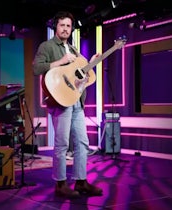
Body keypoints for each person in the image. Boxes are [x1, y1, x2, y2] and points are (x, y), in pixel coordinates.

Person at [32, 11, 103, 198]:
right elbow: (37, 68)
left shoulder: (73, 49)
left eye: (68, 26)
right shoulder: (46, 46)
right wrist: (61, 61)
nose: (65, 29)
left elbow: (79, 74)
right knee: (62, 143)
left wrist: (92, 63)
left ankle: (81, 182)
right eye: (62, 25)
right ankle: (60, 184)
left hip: (77, 101)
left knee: (82, 142)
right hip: (59, 101)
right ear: (56, 27)